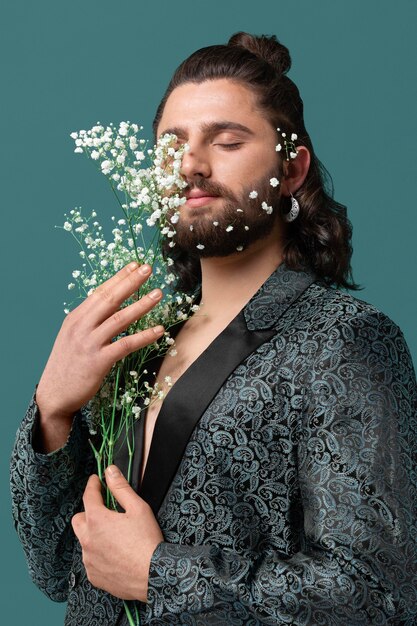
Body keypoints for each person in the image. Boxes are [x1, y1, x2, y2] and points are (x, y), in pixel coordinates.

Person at [10, 32, 417, 626]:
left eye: (227, 142)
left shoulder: (344, 340)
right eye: (171, 146)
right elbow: (56, 568)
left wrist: (160, 574)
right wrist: (52, 412)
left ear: (293, 166)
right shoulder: (137, 344)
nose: (192, 165)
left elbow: (377, 598)